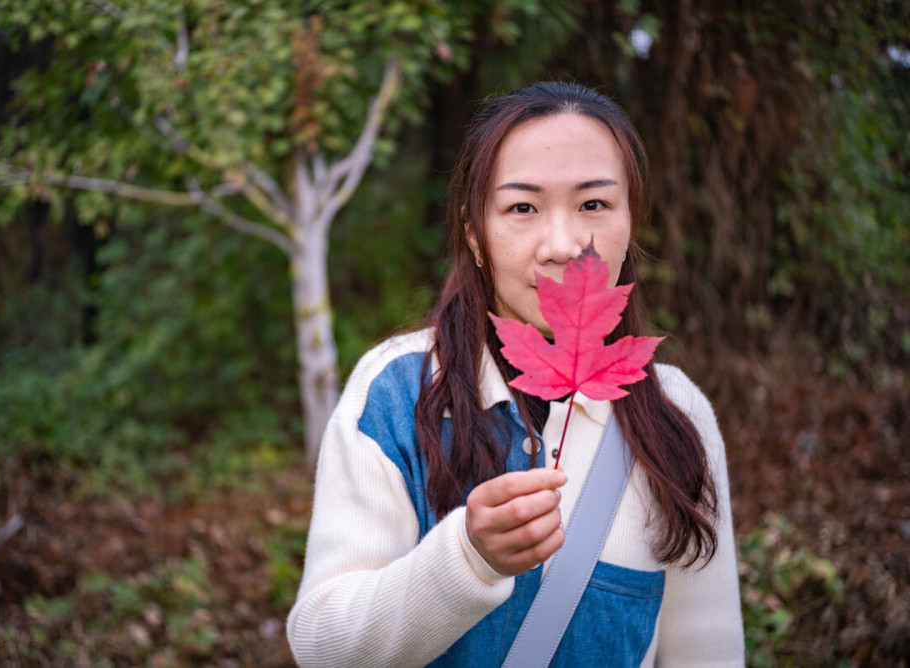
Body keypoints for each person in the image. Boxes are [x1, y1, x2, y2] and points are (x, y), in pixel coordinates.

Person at [286, 81, 745, 667]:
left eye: (594, 204)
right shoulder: (397, 394)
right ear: (475, 232)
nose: (563, 245)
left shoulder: (675, 415)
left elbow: (708, 655)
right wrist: (468, 558)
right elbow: (322, 647)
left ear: (631, 222)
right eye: (522, 207)